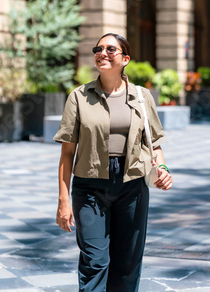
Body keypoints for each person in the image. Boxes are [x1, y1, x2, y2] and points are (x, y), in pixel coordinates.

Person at [54, 33, 173, 292]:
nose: (103, 53)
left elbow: (154, 143)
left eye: (111, 49)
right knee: (94, 261)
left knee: (127, 263)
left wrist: (162, 169)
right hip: (90, 188)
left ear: (125, 59)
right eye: (99, 48)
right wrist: (63, 200)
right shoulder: (79, 97)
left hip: (132, 186)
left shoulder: (142, 96)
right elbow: (66, 154)